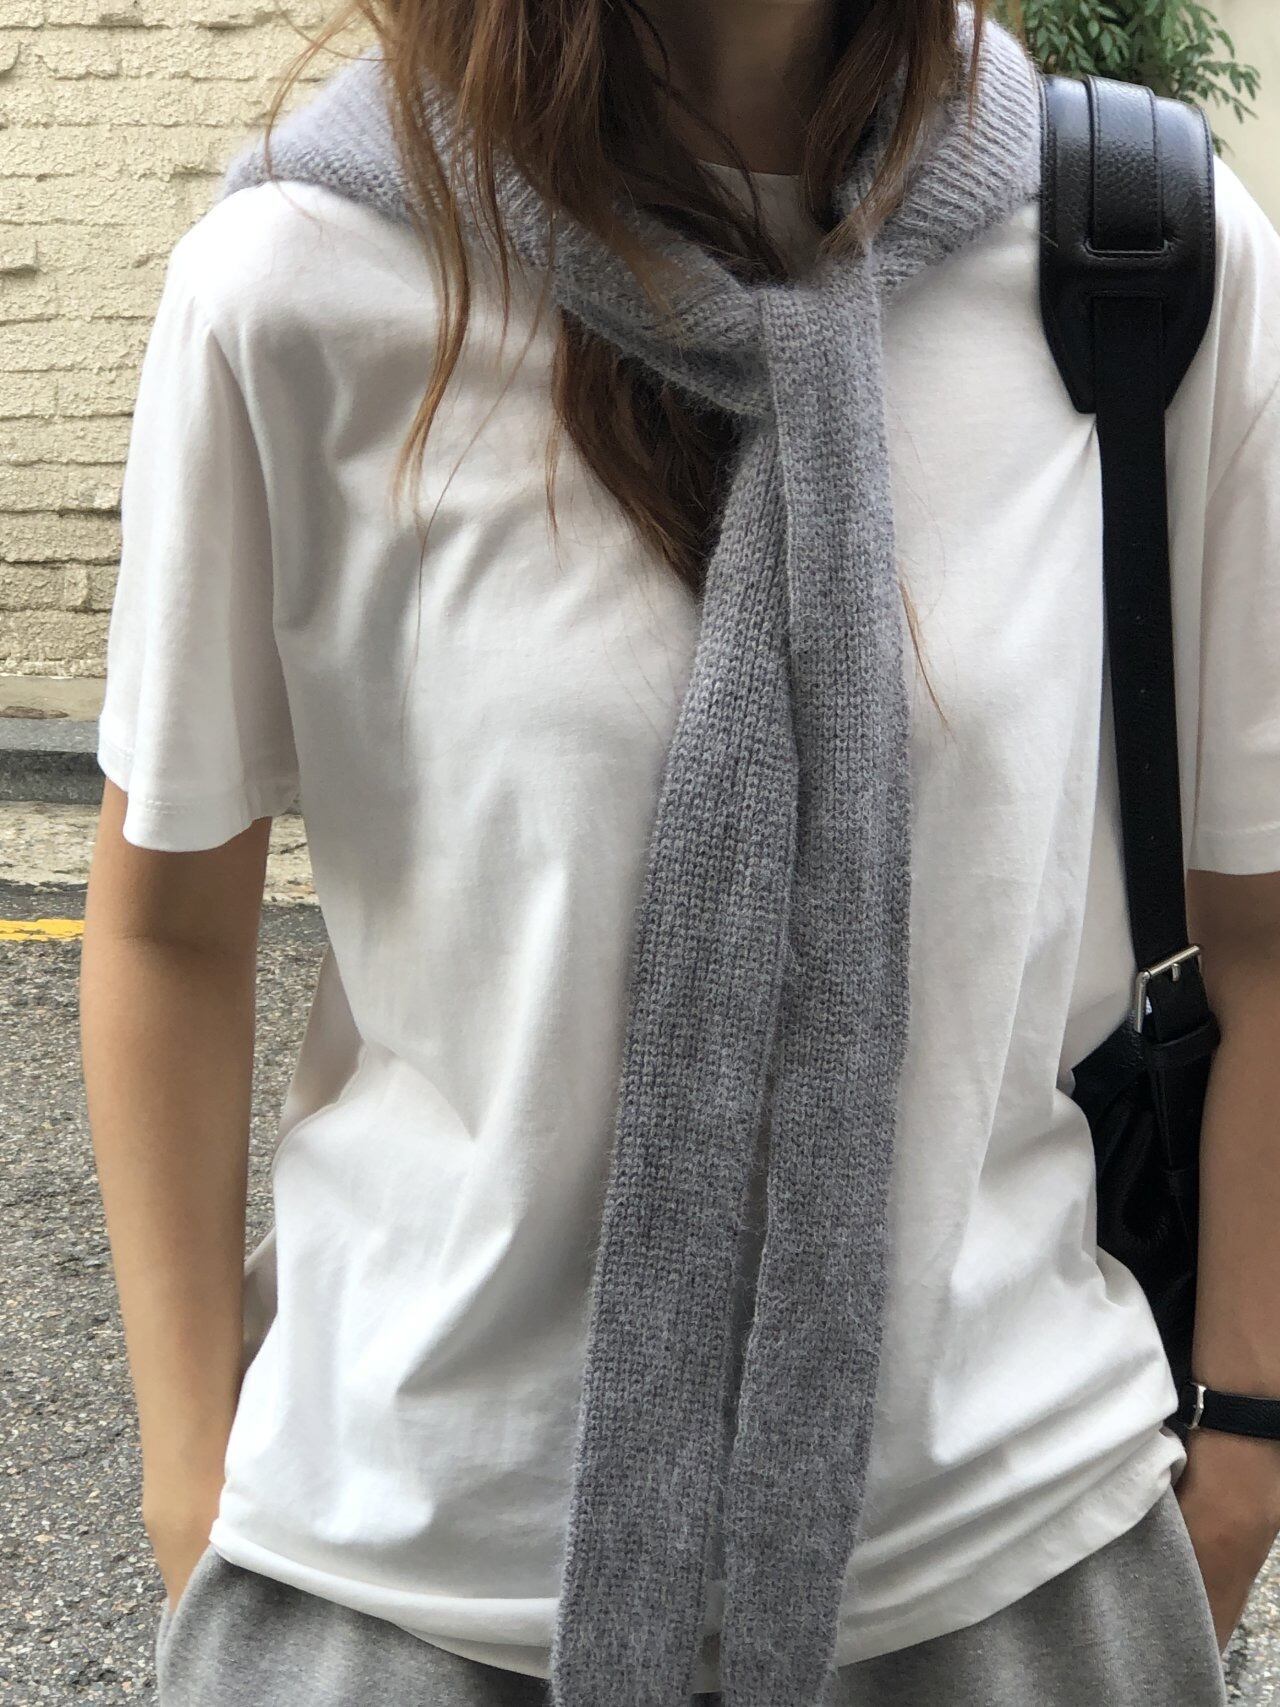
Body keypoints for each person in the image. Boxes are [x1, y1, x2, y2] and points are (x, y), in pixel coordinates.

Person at [78, 0, 1280, 1700]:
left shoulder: (1140, 262)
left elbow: (1262, 928)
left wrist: (1244, 1451)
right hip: (412, 1584)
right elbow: (166, 927)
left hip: (1003, 1575)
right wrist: (189, 1482)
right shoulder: (301, 282)